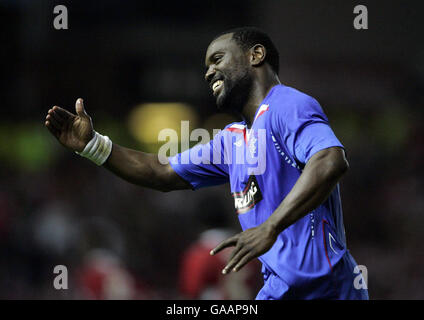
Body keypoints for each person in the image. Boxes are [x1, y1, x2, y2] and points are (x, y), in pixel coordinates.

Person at [44, 27, 369, 300]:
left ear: (256, 56)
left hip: (328, 289)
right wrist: (92, 145)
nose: (208, 72)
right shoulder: (232, 140)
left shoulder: (287, 104)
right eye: (206, 66)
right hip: (279, 291)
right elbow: (161, 171)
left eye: (217, 59)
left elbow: (329, 160)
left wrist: (270, 226)